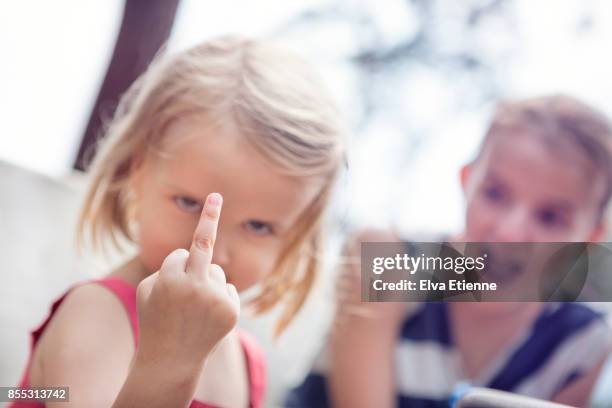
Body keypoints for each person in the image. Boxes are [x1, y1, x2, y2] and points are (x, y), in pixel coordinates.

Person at [11, 35, 345, 407]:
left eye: (258, 226)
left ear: (297, 232)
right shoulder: (96, 315)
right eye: (189, 203)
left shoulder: (247, 363)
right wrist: (172, 360)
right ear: (137, 172)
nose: (214, 250)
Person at [288, 94, 612, 408]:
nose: (510, 231)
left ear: (592, 237)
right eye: (495, 194)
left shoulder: (583, 340)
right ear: (466, 180)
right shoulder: (387, 263)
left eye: (550, 217)